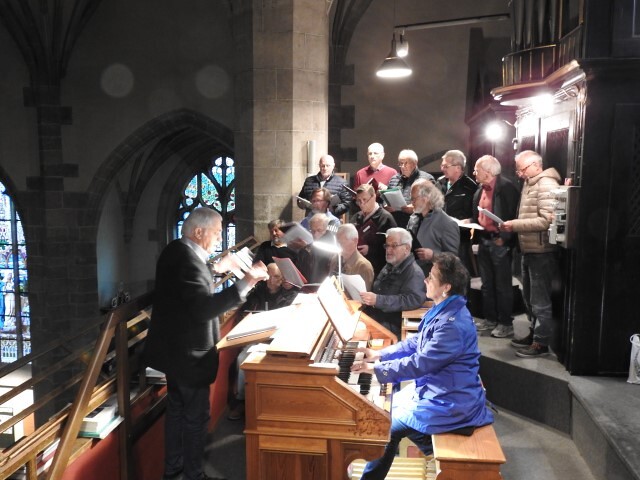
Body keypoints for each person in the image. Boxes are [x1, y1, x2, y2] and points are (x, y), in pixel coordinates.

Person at [143, 207, 268, 480]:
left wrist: (215, 268)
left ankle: (174, 470)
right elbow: (203, 308)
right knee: (195, 419)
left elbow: (188, 288)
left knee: (177, 412)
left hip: (175, 352)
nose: (220, 238)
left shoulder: (176, 250)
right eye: (217, 232)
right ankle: (194, 475)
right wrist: (247, 281)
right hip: (190, 356)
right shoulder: (187, 261)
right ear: (199, 232)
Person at [351, 252, 494, 480]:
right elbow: (416, 342)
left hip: (450, 401)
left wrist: (377, 370)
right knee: (386, 406)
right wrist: (380, 355)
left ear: (446, 287)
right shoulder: (445, 309)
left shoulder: (452, 324)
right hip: (438, 389)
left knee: (384, 425)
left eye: (431, 277)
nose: (425, 280)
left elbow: (421, 363)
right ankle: (428, 444)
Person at [500, 150, 561, 357]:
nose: (519, 173)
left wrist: (515, 225)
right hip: (529, 249)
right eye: (518, 169)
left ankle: (541, 343)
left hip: (541, 251)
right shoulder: (531, 182)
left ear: (536, 165)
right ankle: (534, 334)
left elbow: (547, 220)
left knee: (539, 301)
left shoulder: (546, 184)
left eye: (522, 169)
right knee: (529, 297)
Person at [227, 262, 297, 421]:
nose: (272, 280)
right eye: (269, 276)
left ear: (282, 278)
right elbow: (243, 314)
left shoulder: (290, 296)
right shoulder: (256, 293)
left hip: (278, 339)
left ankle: (274, 403)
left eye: (276, 277)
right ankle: (242, 401)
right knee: (241, 359)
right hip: (256, 337)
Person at [471, 155, 520, 338]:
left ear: (488, 171)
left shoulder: (506, 187)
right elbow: (478, 215)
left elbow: (515, 215)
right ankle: (490, 319)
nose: (474, 172)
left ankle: (506, 323)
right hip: (484, 240)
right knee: (487, 285)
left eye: (477, 169)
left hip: (499, 242)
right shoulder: (480, 189)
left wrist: (505, 239)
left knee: (502, 286)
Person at [359, 228, 425, 339]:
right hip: (377, 320)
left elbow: (413, 299)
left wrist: (378, 300)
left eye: (394, 246)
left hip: (393, 329)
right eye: (387, 246)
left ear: (407, 248)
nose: (388, 250)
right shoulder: (390, 265)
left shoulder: (414, 272)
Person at [407, 180, 460, 276]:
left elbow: (454, 259)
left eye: (414, 199)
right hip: (412, 273)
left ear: (426, 198)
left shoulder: (447, 223)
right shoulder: (414, 218)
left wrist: (433, 255)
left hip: (433, 277)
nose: (412, 202)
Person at [438, 150, 478, 275]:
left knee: (460, 273)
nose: (442, 169)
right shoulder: (440, 182)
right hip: (440, 235)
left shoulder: (470, 187)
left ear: (458, 168)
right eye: (442, 166)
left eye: (446, 166)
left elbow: (475, 213)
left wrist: (469, 220)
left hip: (460, 238)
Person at [352, 184, 397, 276]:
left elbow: (394, 247)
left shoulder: (386, 218)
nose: (362, 204)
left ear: (374, 197)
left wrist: (370, 250)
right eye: (359, 201)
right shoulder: (356, 217)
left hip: (378, 270)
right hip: (357, 268)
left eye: (365, 200)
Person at [384, 149, 435, 228]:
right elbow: (385, 200)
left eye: (406, 163)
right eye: (401, 163)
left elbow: (432, 204)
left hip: (416, 225)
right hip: (395, 224)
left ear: (415, 163)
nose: (403, 166)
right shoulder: (394, 179)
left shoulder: (426, 179)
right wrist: (386, 206)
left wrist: (415, 208)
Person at [330, 223, 375, 290]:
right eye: (337, 242)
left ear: (355, 241)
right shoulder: (335, 259)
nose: (338, 246)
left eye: (341, 243)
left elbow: (363, 294)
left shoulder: (363, 266)